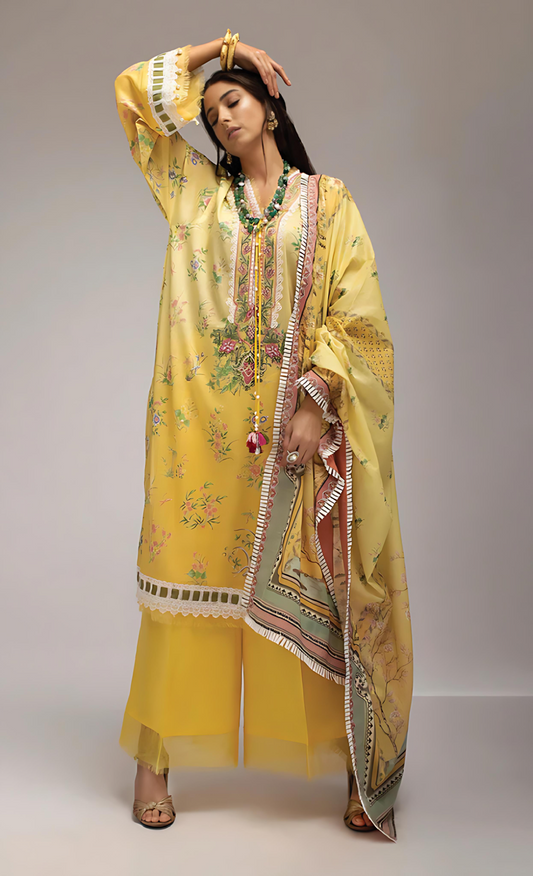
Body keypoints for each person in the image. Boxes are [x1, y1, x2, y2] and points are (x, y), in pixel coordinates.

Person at [113, 29, 413, 841]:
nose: (220, 119)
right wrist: (218, 48)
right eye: (211, 111)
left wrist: (318, 401)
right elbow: (133, 99)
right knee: (181, 582)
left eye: (234, 99)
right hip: (198, 435)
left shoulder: (329, 203)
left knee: (326, 584)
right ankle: (155, 761)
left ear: (273, 106)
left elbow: (362, 319)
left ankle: (358, 759)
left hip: (294, 434)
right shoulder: (193, 195)